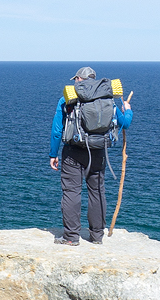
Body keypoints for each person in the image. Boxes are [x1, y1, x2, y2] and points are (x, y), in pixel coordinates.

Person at [48, 67, 133, 246]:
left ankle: (71, 237)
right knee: (97, 192)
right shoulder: (107, 98)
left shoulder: (67, 98)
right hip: (98, 150)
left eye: (75, 80)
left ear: (79, 79)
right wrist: (128, 109)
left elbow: (57, 131)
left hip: (73, 151)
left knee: (72, 192)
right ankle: (97, 236)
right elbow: (125, 123)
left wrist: (53, 154)